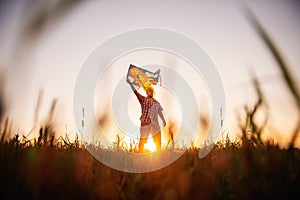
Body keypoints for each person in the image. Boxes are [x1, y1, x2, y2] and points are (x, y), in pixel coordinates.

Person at [127, 79, 166, 152]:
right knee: (143, 140)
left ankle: (159, 156)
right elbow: (135, 92)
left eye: (152, 91)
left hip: (155, 125)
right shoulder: (143, 99)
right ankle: (140, 153)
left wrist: (163, 120)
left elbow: (160, 112)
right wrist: (130, 83)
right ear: (147, 92)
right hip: (145, 123)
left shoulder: (156, 102)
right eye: (149, 91)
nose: (151, 92)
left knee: (157, 141)